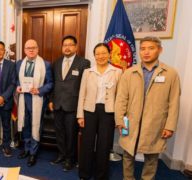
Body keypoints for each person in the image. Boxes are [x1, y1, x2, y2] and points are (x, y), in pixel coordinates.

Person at [115, 36, 181, 180]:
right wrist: (120, 120)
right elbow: (121, 99)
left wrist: (170, 126)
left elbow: (174, 102)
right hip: (129, 121)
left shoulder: (170, 74)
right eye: (143, 49)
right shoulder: (129, 73)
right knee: (127, 154)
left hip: (155, 123)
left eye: (151, 48)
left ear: (160, 50)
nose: (146, 52)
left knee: (151, 157)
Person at [77, 43, 122, 179]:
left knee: (104, 145)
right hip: (89, 111)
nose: (101, 56)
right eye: (98, 53)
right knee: (87, 144)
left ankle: (101, 175)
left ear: (109, 54)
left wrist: (118, 118)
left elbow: (120, 96)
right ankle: (85, 173)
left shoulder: (117, 72)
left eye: (104, 53)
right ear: (94, 55)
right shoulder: (88, 72)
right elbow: (82, 94)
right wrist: (80, 115)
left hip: (108, 112)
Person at [48, 35, 91, 171]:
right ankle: (61, 154)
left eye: (70, 45)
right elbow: (54, 83)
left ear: (76, 47)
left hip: (73, 106)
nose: (67, 47)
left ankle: (70, 159)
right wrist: (51, 99)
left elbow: (85, 87)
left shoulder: (84, 63)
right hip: (57, 104)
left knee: (71, 134)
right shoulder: (56, 62)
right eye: (64, 45)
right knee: (59, 132)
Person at [16, 39, 53, 167]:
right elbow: (16, 80)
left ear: (38, 49)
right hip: (23, 100)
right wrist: (17, 87)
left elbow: (50, 83)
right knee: (25, 125)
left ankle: (33, 152)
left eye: (33, 47)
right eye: (28, 48)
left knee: (36, 125)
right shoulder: (19, 63)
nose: (31, 50)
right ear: (24, 50)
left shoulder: (46, 65)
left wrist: (39, 90)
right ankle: (26, 149)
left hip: (37, 101)